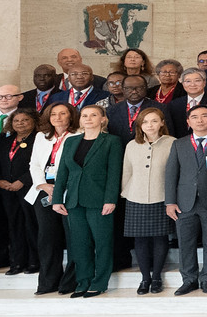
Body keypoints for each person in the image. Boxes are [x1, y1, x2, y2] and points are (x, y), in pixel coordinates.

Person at [52, 104, 123, 298]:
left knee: (102, 243)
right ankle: (83, 282)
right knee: (79, 244)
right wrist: (57, 199)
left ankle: (99, 283)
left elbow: (114, 173)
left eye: (93, 115)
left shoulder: (112, 141)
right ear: (79, 119)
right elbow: (63, 172)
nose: (88, 119)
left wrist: (110, 199)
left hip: (100, 200)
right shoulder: (71, 141)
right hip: (74, 200)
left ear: (103, 119)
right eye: (84, 116)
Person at [163, 104, 207, 294]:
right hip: (184, 202)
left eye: (204, 116)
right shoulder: (179, 144)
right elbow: (171, 175)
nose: (199, 120)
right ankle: (189, 279)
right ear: (188, 121)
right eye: (194, 117)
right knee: (185, 243)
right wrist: (170, 201)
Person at [120, 108, 177, 294]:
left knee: (160, 237)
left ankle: (157, 277)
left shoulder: (172, 143)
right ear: (140, 125)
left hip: (162, 197)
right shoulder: (131, 145)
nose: (149, 125)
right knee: (141, 240)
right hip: (136, 197)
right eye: (145, 122)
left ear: (162, 122)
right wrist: (125, 193)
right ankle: (145, 278)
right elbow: (126, 172)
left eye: (154, 121)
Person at [28, 103, 78, 294]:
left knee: (73, 237)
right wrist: (43, 185)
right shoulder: (41, 136)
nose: (58, 117)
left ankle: (70, 282)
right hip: (44, 191)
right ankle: (48, 282)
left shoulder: (79, 134)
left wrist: (61, 187)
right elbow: (34, 164)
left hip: (70, 190)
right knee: (47, 237)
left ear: (71, 116)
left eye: (63, 113)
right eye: (54, 114)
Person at [0, 108, 39, 277]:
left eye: (25, 120)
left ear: (33, 121)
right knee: (14, 226)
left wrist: (22, 181)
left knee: (31, 225)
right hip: (7, 191)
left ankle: (34, 261)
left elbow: (41, 164)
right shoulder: (5, 141)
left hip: (30, 189)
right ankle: (17, 262)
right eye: (16, 120)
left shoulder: (39, 140)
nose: (20, 123)